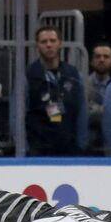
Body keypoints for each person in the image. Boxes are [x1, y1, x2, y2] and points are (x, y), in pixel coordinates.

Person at [25, 25, 86, 156]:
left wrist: (81, 144)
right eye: (44, 42)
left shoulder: (73, 74)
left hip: (69, 147)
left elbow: (82, 111)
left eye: (53, 41)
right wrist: (25, 148)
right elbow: (17, 114)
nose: (49, 45)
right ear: (37, 46)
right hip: (38, 149)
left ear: (60, 44)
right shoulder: (27, 75)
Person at [85, 41, 111, 151]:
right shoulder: (82, 85)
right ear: (92, 61)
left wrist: (93, 108)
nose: (101, 60)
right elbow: (84, 114)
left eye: (106, 57)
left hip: (110, 145)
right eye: (98, 56)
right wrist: (105, 110)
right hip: (86, 144)